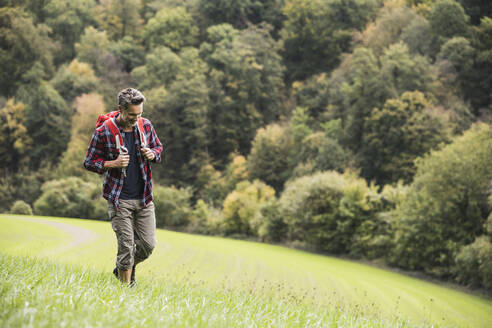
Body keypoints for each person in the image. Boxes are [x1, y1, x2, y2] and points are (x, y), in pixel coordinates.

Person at [84, 88, 163, 286]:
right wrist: (113, 163)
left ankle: (121, 268)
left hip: (144, 198)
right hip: (119, 199)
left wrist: (153, 154)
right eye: (131, 114)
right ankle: (125, 290)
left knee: (147, 246)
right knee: (126, 247)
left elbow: (158, 148)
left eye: (139, 114)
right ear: (121, 109)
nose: (136, 118)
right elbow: (89, 162)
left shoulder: (145, 126)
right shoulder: (104, 132)